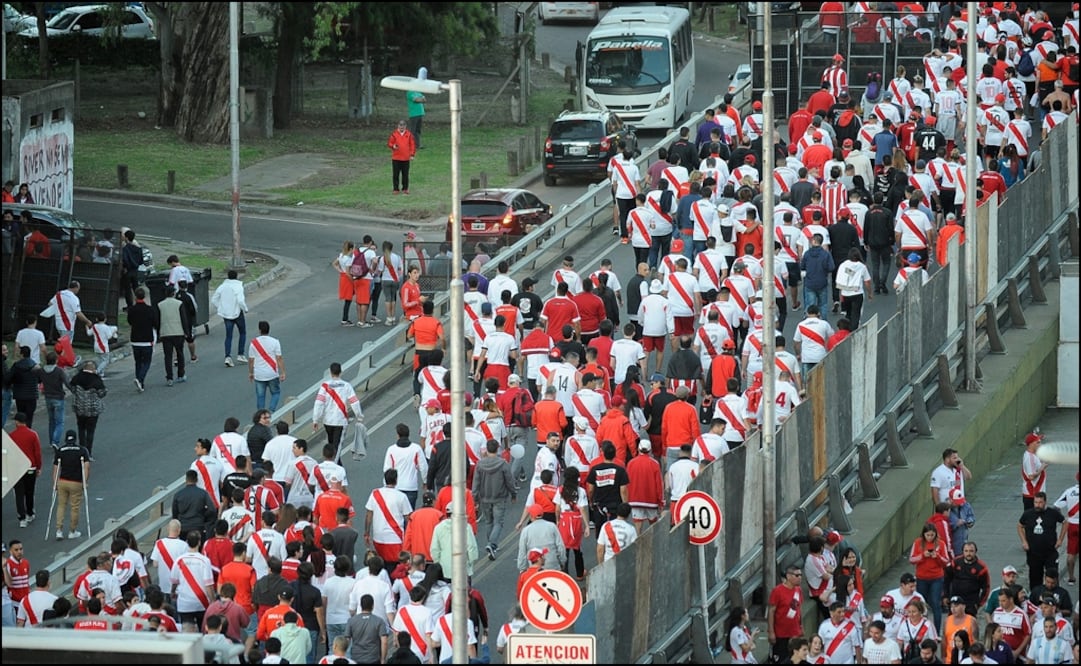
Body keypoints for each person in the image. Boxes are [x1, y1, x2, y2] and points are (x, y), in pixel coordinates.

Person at [1017, 492, 1066, 592]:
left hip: (1050, 552)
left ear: (1045, 502)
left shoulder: (1052, 513)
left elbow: (1065, 522)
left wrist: (1060, 539)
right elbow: (1019, 525)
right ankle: (1035, 599)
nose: (1037, 505)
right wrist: (1024, 541)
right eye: (1035, 502)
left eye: (1040, 502)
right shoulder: (1028, 514)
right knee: (1035, 578)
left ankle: (1054, 595)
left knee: (1052, 576)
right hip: (1033, 553)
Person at [910, 523, 951, 628]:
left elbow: (946, 561)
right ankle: (921, 627)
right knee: (921, 604)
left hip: (936, 577)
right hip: (921, 577)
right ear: (923, 534)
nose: (930, 537)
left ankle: (936, 630)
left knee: (936, 603)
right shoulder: (917, 543)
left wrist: (937, 556)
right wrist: (922, 556)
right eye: (927, 535)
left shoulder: (941, 544)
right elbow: (912, 559)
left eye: (932, 535)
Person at [52, 430, 90, 541]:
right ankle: (72, 531)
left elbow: (55, 468)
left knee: (61, 506)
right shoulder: (82, 450)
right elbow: (86, 467)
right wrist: (84, 482)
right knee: (74, 507)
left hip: (62, 481)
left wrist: (55, 483)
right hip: (76, 482)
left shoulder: (60, 450)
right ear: (75, 439)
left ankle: (59, 530)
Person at [9, 413, 42, 529]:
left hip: (17, 469)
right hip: (30, 467)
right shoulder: (33, 435)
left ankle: (22, 518)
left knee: (19, 494)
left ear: (17, 422)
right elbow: (37, 453)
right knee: (29, 491)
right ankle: (30, 513)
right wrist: (38, 467)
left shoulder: (11, 436)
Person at [211, 268, 248, 367]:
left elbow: (214, 299)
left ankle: (228, 357)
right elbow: (240, 301)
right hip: (237, 313)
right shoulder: (238, 286)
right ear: (236, 277)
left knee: (229, 336)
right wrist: (245, 308)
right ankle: (240, 354)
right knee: (242, 332)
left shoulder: (222, 286)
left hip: (226, 314)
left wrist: (221, 307)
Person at [156, 285, 189, 386]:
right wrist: (186, 332)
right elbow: (184, 318)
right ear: (174, 293)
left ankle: (169, 377)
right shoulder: (179, 304)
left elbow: (158, 320)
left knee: (168, 356)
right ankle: (181, 374)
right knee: (180, 353)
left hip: (166, 332)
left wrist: (159, 333)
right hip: (178, 331)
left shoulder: (160, 305)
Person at [249, 320, 285, 412]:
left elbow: (251, 360)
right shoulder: (275, 342)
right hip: (272, 373)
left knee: (260, 396)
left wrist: (251, 373)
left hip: (259, 374)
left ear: (259, 330)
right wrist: (283, 372)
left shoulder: (254, 343)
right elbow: (279, 358)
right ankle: (271, 411)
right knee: (276, 393)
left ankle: (261, 416)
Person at [388, 120, 417, 195]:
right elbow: (390, 143)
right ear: (398, 126)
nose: (401, 127)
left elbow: (412, 145)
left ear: (405, 126)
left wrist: (412, 155)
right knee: (395, 174)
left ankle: (405, 188)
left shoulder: (409, 134)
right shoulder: (394, 134)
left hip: (406, 158)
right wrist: (393, 146)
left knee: (405, 174)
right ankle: (396, 189)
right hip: (396, 158)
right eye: (400, 125)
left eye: (403, 126)